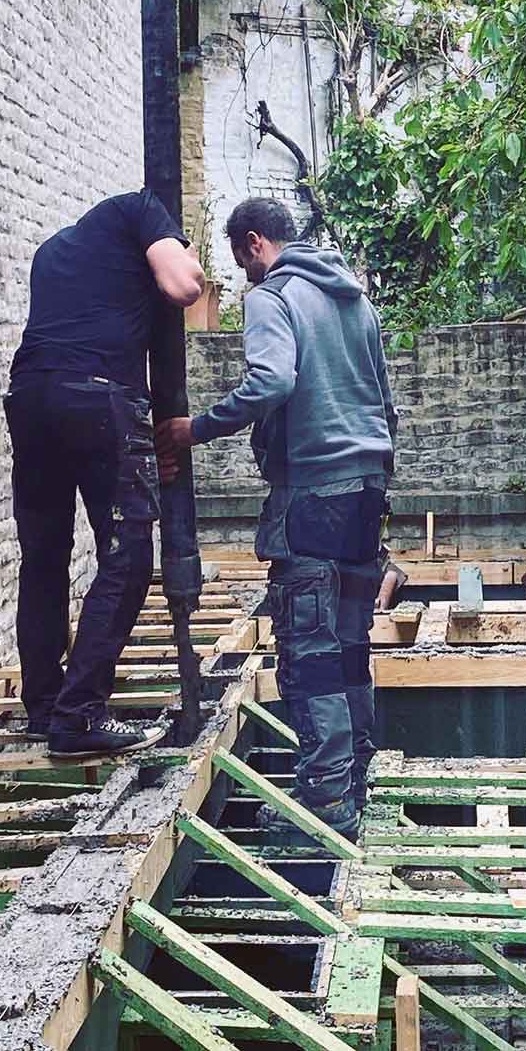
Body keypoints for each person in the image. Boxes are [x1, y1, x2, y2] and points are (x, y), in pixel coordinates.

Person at [155, 197, 396, 842]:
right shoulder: (353, 297)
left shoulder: (274, 297)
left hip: (312, 493)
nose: (244, 278)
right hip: (366, 491)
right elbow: (384, 398)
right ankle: (353, 775)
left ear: (255, 243)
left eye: (241, 262)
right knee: (348, 641)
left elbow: (269, 383)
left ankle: (323, 803)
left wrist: (193, 429)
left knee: (308, 647)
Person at [5, 191, 204, 758]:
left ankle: (44, 708)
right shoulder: (140, 210)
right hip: (96, 398)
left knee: (43, 557)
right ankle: (79, 714)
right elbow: (182, 287)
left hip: (31, 398)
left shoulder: (53, 252)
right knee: (129, 553)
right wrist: (189, 263)